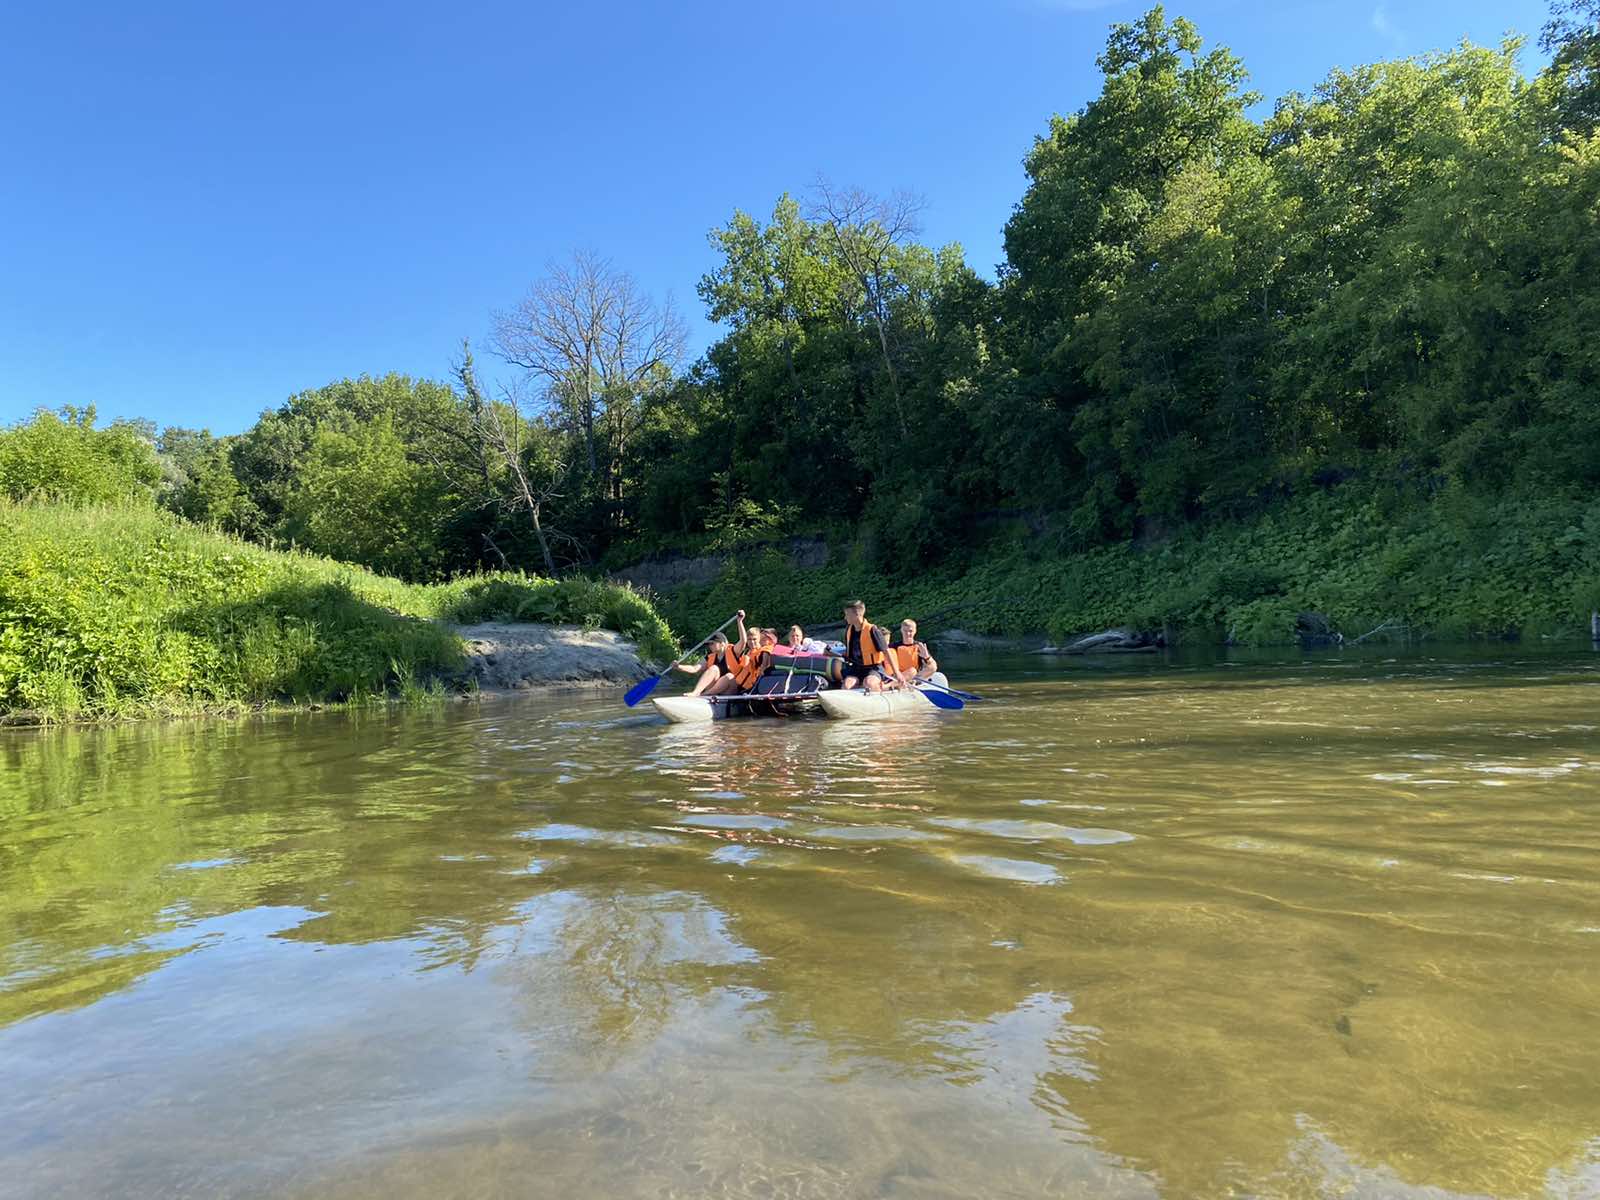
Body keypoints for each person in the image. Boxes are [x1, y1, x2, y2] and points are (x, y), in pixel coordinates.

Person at [675, 610, 753, 696]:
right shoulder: (710, 657)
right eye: (709, 644)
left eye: (712, 643)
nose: (710, 646)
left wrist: (739, 621)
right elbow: (694, 669)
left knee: (729, 676)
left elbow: (743, 641)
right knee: (714, 668)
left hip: (731, 689)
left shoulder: (733, 651)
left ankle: (704, 695)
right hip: (715, 690)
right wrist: (678, 666)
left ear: (722, 643)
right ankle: (696, 692)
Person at [839, 600, 910, 693]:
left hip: (873, 668)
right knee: (846, 686)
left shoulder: (872, 630)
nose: (845, 617)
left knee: (869, 683)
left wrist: (897, 673)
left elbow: (886, 651)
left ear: (857, 615)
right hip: (856, 668)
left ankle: (880, 691)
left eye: (847, 614)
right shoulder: (849, 629)